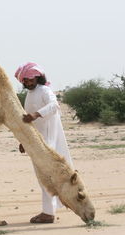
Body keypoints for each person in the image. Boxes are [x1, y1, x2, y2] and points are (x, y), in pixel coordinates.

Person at [15, 62, 73, 223]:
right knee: (43, 178)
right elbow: (29, 121)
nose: (27, 83)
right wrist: (23, 141)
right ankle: (49, 210)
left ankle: (48, 213)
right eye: (25, 81)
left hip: (47, 142)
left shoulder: (44, 90)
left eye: (30, 79)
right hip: (36, 142)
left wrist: (36, 114)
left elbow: (54, 106)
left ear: (38, 77)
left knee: (46, 177)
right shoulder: (30, 94)